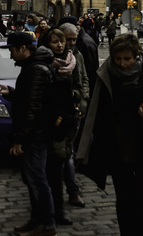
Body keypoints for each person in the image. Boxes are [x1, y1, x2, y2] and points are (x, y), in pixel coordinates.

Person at [76, 34, 143, 236]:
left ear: (136, 55)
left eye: (127, 59)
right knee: (125, 198)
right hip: (118, 147)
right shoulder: (104, 75)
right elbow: (97, 113)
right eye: (118, 59)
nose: (122, 64)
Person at [0, 32, 55, 236]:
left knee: (37, 179)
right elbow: (28, 99)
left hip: (36, 136)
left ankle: (46, 225)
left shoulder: (36, 69)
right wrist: (11, 93)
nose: (11, 56)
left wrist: (19, 140)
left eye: (12, 50)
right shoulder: (31, 67)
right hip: (35, 133)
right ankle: (37, 219)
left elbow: (32, 109)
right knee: (31, 179)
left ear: (23, 48)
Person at [40, 29, 79, 227]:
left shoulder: (72, 60)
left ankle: (67, 199)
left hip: (68, 121)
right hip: (52, 124)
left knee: (64, 161)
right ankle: (52, 211)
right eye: (55, 42)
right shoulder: (44, 64)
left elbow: (81, 84)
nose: (60, 45)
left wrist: (80, 100)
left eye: (61, 41)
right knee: (53, 170)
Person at [57, 24, 89, 210]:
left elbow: (84, 79)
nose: (70, 43)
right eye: (67, 39)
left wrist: (82, 99)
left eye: (73, 39)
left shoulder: (77, 55)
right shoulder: (49, 56)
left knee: (68, 152)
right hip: (54, 112)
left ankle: (73, 191)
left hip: (72, 110)